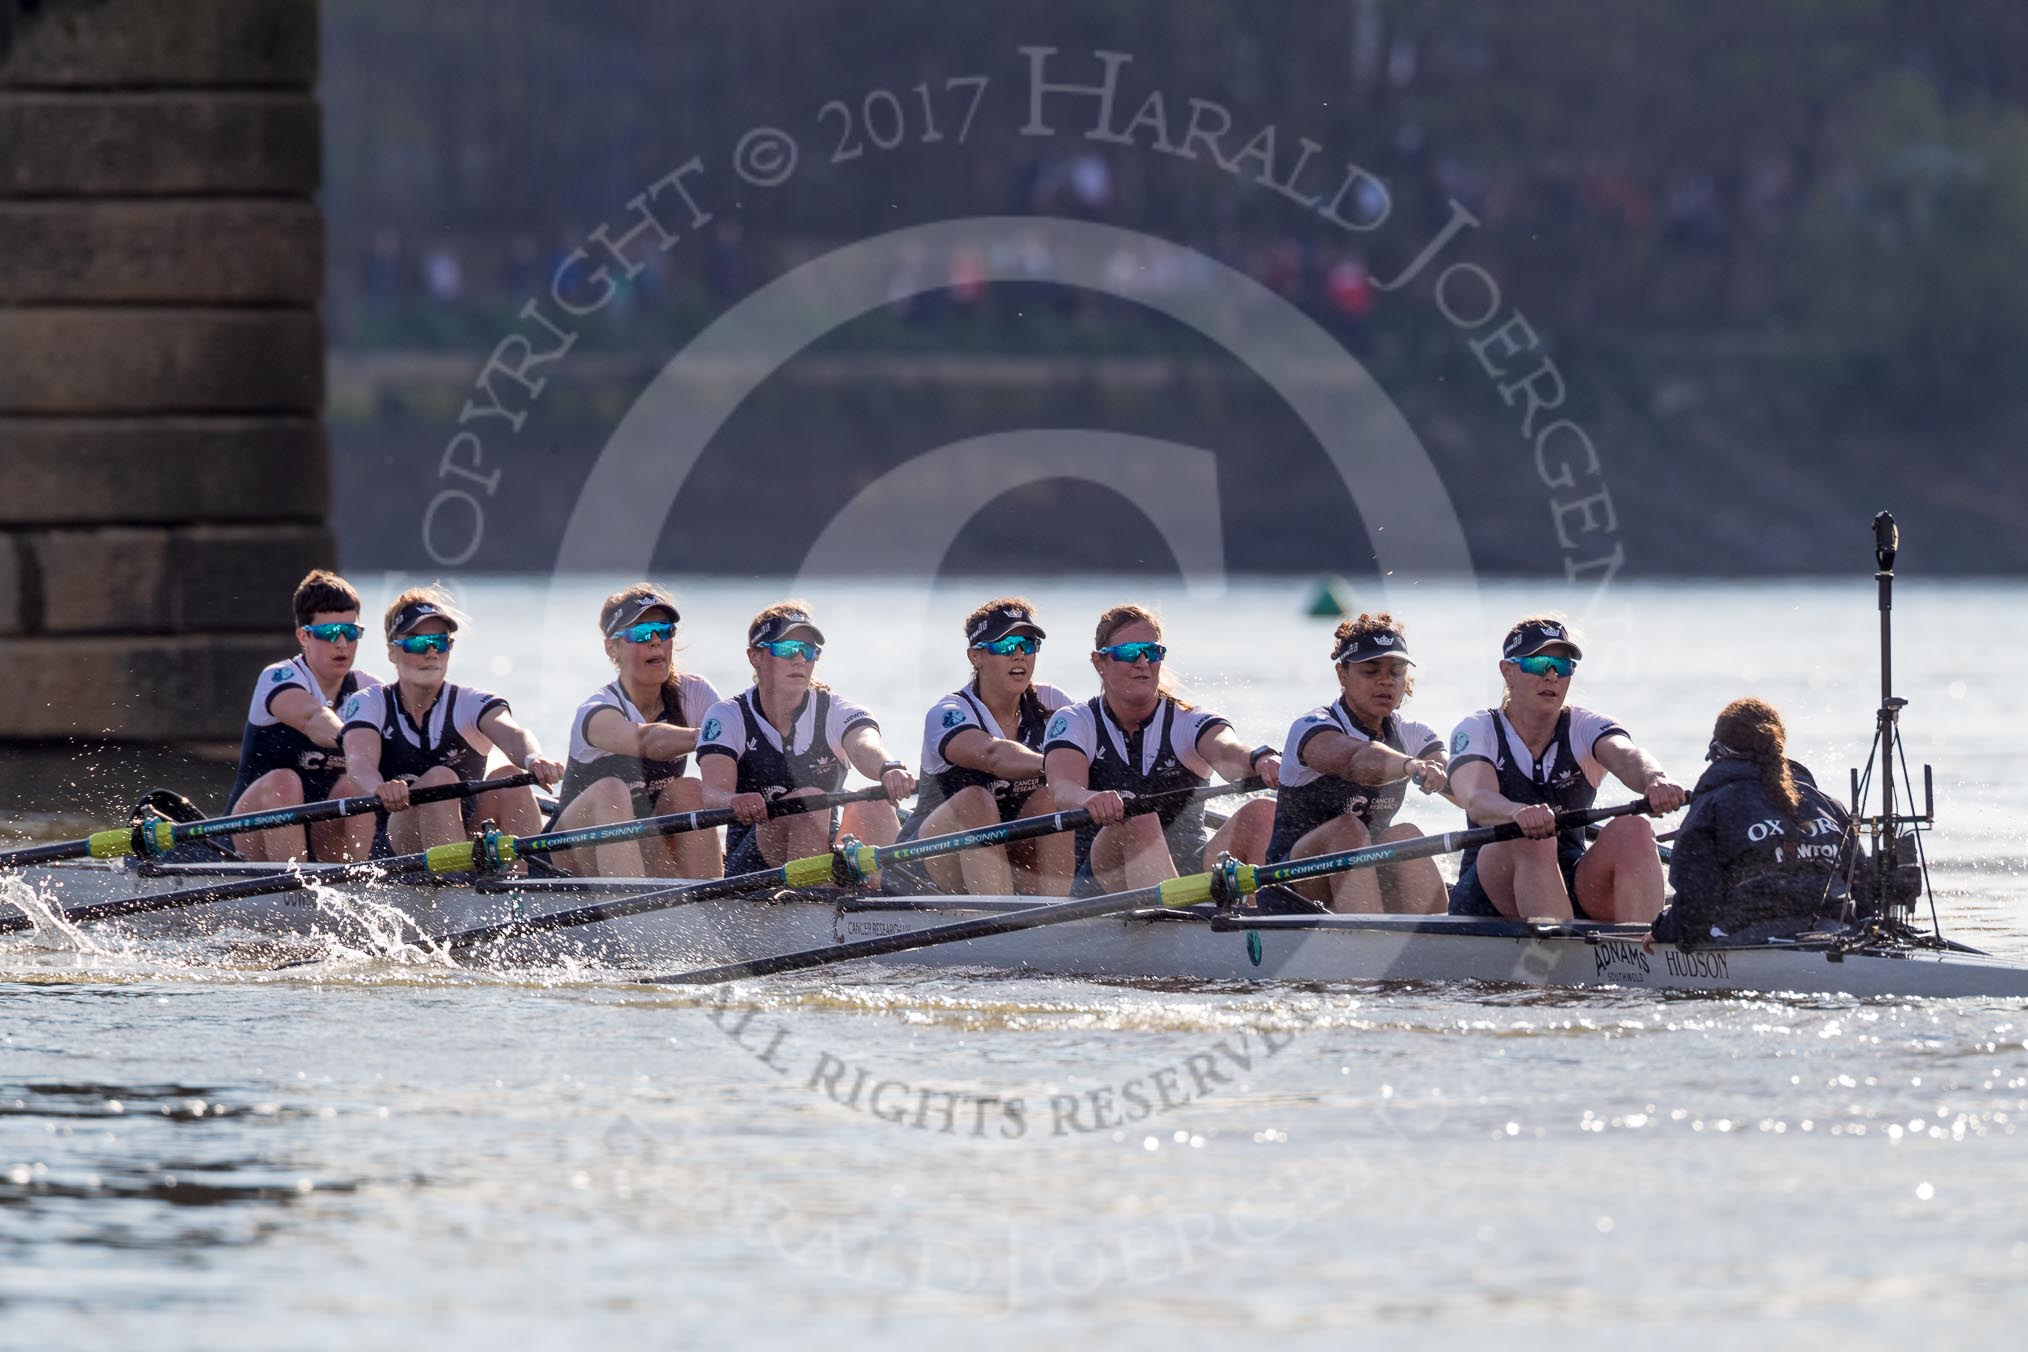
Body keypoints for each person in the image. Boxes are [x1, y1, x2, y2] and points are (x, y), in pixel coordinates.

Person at [1447, 616, 1686, 923]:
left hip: (1569, 883)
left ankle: (1643, 953)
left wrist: (1656, 780)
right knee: (1532, 837)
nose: (1551, 676)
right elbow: (1477, 799)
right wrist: (1517, 813)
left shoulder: (1585, 726)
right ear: (1507, 671)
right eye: (1538, 664)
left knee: (1635, 829)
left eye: (1562, 666)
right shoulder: (1479, 729)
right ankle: (1557, 958)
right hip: (1488, 895)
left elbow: (1627, 755)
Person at [1042, 604, 1281, 894]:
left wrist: (1261, 759)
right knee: (1138, 818)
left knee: (1262, 812)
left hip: (1188, 874)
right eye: (1129, 652)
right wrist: (1089, 798)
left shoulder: (1188, 720)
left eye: (1152, 652)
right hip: (1103, 883)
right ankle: (1187, 926)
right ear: (1099, 662)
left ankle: (1264, 919)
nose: (1142, 662)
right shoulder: (1076, 721)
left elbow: (1228, 751)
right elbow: (1063, 788)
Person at [332, 588, 562, 860]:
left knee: (510, 779)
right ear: (393, 652)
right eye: (418, 643)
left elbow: (513, 734)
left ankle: (525, 886)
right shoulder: (371, 702)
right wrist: (378, 788)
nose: (432, 653)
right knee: (440, 780)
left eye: (440, 642)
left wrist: (535, 758)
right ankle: (457, 884)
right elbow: (359, 762)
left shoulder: (471, 702)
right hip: (397, 844)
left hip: (468, 833)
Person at [696, 601, 916, 874]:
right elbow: (712, 793)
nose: (799, 659)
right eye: (787, 649)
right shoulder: (727, 715)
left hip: (825, 849)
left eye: (808, 651)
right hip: (753, 862)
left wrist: (888, 768)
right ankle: (813, 901)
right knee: (809, 798)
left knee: (875, 803)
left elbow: (864, 744)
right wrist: (732, 800)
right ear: (755, 657)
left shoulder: (836, 710)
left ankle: (884, 903)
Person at [885, 598, 1075, 897]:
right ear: (976, 656)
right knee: (976, 800)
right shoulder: (948, 713)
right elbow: (993, 756)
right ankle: (1001, 921)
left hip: (1004, 855)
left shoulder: (1052, 703)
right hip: (925, 866)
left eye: (1028, 644)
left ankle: (1057, 916)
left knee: (1049, 798)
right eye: (1004, 645)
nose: (1019, 655)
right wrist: (1058, 763)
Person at [1265, 614, 1450, 913]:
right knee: (1348, 831)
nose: (1386, 680)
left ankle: (1446, 943)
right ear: (1342, 674)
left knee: (1406, 835)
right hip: (1290, 887)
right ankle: (1368, 945)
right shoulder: (1313, 727)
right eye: (1370, 670)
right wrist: (1411, 767)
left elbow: (1465, 784)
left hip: (1366, 876)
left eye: (1397, 670)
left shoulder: (1413, 732)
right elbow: (1358, 762)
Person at [1649, 698, 1857, 949]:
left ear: (1718, 751)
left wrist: (1662, 932)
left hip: (1746, 936)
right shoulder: (1828, 805)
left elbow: (1697, 901)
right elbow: (1862, 886)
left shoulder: (1712, 806)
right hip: (1839, 932)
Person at [546, 584, 722, 878]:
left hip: (640, 847)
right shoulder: (596, 712)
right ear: (611, 647)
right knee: (611, 791)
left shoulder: (694, 692)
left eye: (663, 631)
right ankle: (633, 919)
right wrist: (706, 737)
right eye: (641, 633)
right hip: (570, 858)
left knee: (689, 790)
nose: (655, 642)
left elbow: (735, 754)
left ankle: (715, 910)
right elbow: (646, 739)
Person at [226, 570, 384, 862]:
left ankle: (369, 883)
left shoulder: (370, 689)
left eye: (350, 633)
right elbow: (313, 718)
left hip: (323, 836)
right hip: (249, 836)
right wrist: (354, 743)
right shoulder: (277, 677)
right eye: (328, 634)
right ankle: (290, 888)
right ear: (303, 636)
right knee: (284, 782)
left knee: (355, 784)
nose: (341, 644)